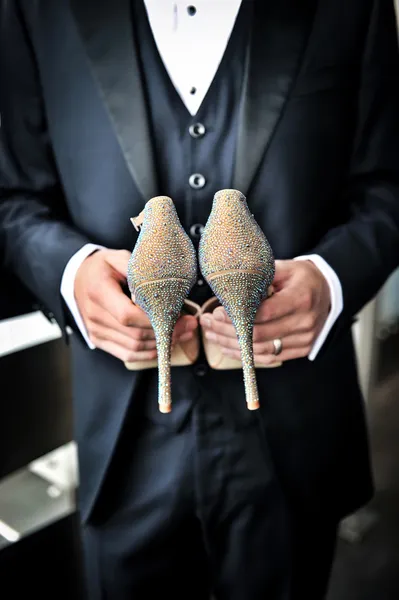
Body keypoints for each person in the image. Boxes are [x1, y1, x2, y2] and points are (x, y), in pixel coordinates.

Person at [1, 0, 399, 598]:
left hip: (294, 441)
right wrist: (72, 273)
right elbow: (13, 201)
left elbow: (388, 187)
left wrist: (331, 279)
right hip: (121, 446)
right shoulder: (37, 9)